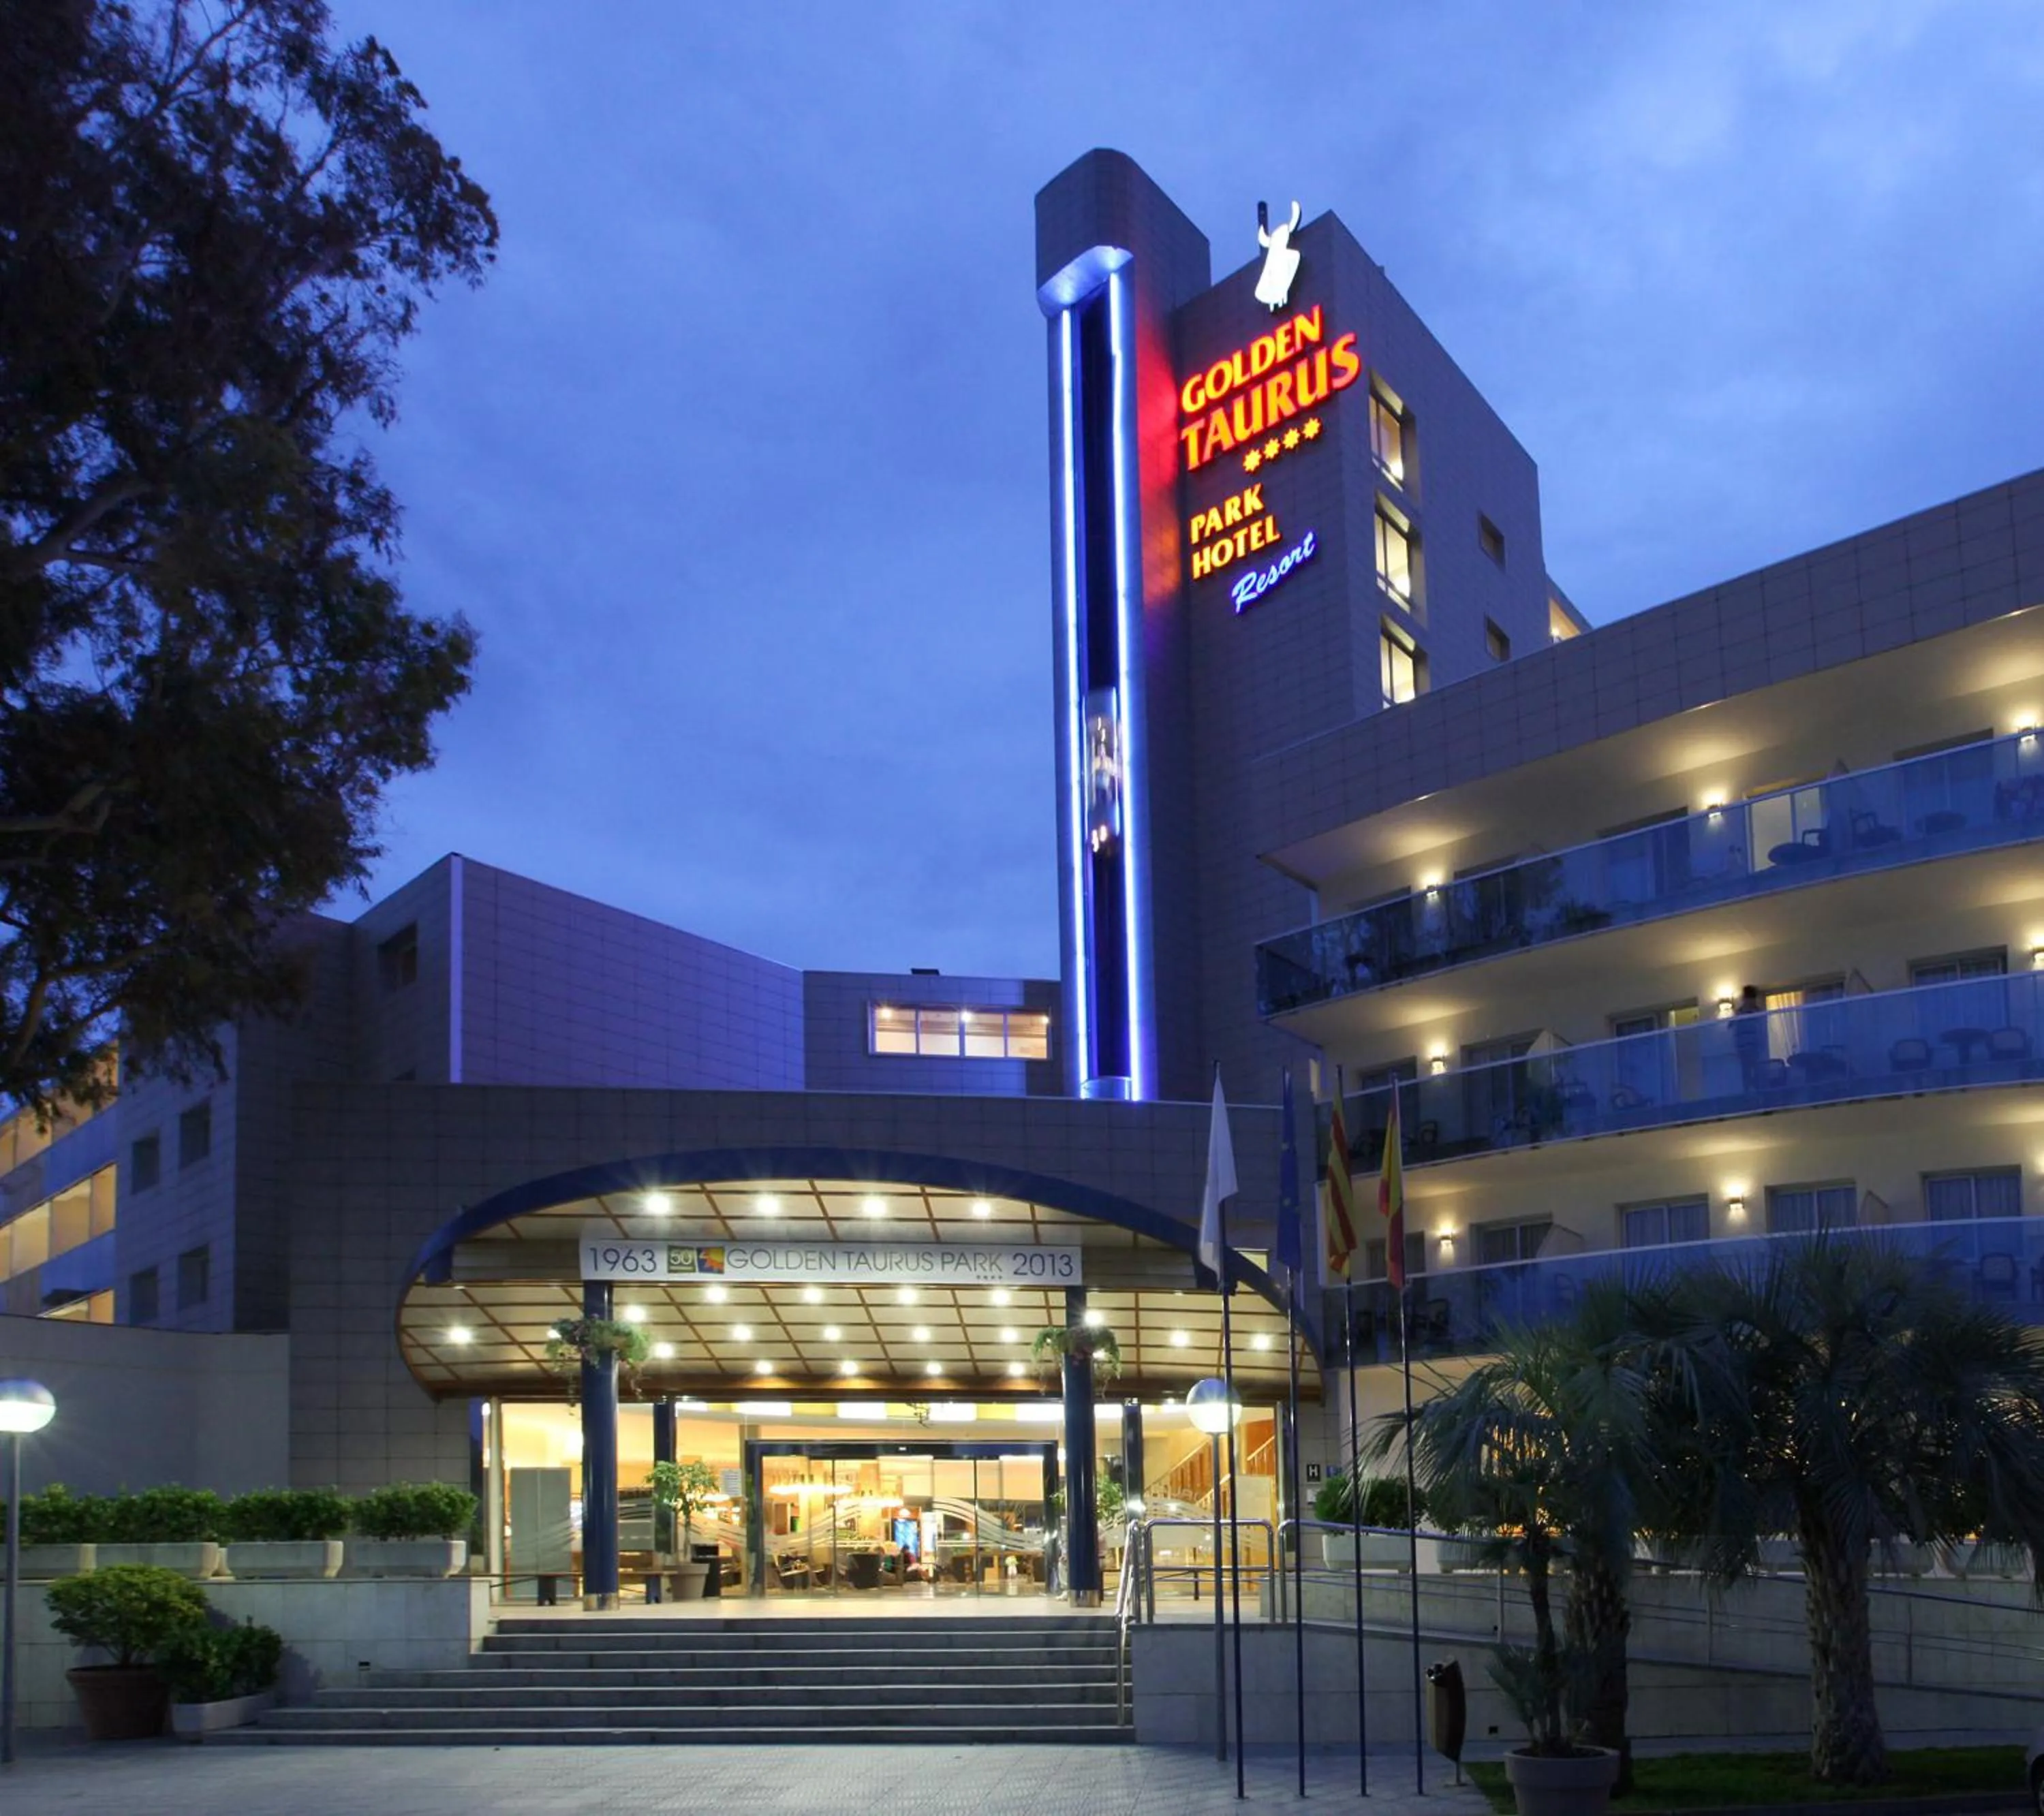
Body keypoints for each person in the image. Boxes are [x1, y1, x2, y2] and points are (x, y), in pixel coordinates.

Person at [1732, 984, 1768, 1091]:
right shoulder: (1739, 1013)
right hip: (1744, 1048)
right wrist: (1736, 1048)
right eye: (1749, 999)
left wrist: (1762, 1046)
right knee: (1746, 1073)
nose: (1751, 1001)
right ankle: (1748, 1095)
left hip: (1756, 1047)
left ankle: (1759, 1093)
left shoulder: (1758, 1012)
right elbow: (1735, 1031)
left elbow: (1762, 1029)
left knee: (1758, 1072)